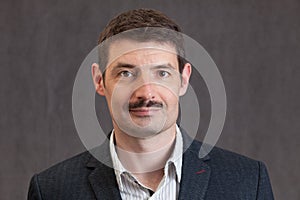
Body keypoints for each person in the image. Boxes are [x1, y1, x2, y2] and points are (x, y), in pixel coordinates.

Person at [27, 8, 274, 200]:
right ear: (99, 81)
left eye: (162, 73)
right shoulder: (52, 190)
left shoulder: (248, 182)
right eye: (126, 73)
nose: (146, 92)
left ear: (184, 79)